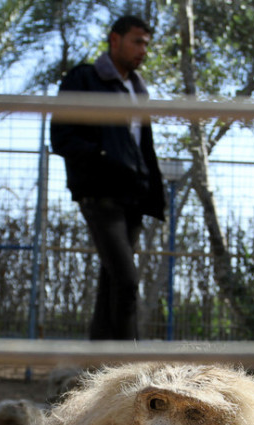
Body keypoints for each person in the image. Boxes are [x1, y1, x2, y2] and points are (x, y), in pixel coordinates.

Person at [50, 15, 167, 341]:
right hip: (100, 194)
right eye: (137, 41)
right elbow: (62, 137)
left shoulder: (137, 90)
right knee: (127, 281)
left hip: (134, 197)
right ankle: (129, 362)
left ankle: (97, 362)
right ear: (115, 40)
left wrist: (150, 188)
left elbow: (143, 147)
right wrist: (104, 160)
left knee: (113, 284)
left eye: (146, 44)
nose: (143, 50)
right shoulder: (85, 79)